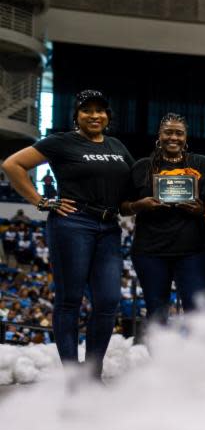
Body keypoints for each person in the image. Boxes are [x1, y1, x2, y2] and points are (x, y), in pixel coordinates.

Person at [1, 90, 132, 378]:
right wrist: (40, 200)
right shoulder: (62, 142)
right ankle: (73, 375)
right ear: (77, 115)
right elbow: (12, 164)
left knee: (109, 301)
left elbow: (131, 188)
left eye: (100, 110)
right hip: (73, 223)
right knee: (69, 299)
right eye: (87, 110)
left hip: (109, 227)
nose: (94, 115)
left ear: (108, 116)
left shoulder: (117, 146)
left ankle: (92, 372)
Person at [120, 113, 205, 335]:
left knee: (196, 312)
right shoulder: (142, 166)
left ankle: (194, 365)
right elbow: (123, 206)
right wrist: (139, 205)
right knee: (156, 312)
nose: (173, 137)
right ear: (159, 136)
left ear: (186, 136)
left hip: (193, 251)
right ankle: (160, 365)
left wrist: (201, 210)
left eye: (179, 133)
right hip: (150, 251)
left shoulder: (202, 164)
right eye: (168, 132)